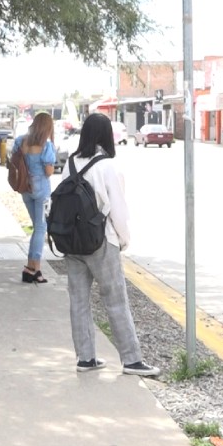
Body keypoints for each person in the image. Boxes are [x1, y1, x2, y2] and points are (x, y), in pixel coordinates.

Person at [62, 113, 160, 377]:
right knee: (115, 299)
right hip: (101, 241)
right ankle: (131, 360)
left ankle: (85, 358)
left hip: (72, 242)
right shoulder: (108, 166)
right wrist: (123, 240)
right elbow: (118, 210)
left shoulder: (70, 163)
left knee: (78, 300)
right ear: (106, 136)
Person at [12, 112, 56, 283]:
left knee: (37, 226)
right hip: (41, 189)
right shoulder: (46, 145)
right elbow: (49, 171)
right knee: (40, 228)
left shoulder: (21, 141)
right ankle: (32, 268)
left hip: (25, 187)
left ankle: (33, 269)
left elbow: (15, 160)